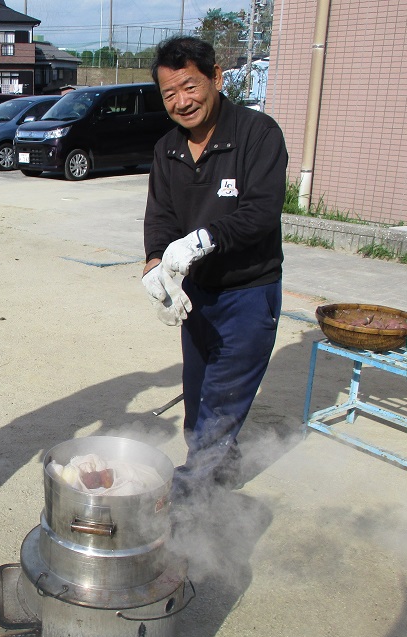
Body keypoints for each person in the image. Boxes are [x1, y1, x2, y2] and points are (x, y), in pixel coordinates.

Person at [141, 36, 288, 496]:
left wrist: (203, 239)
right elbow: (161, 217)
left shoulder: (257, 134)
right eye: (169, 94)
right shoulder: (168, 149)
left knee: (219, 410)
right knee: (199, 401)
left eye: (190, 87)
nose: (182, 102)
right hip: (197, 298)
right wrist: (155, 267)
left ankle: (187, 509)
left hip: (248, 294)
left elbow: (261, 211)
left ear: (216, 78)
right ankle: (221, 479)